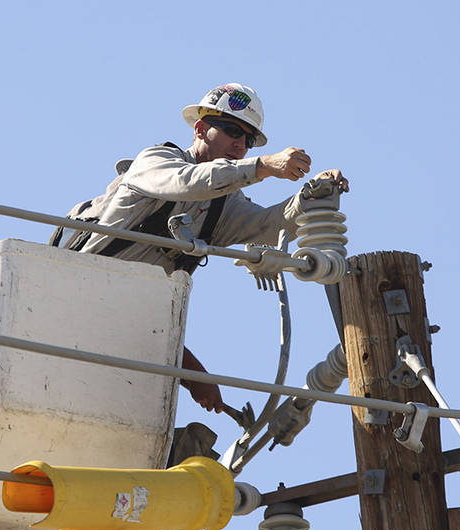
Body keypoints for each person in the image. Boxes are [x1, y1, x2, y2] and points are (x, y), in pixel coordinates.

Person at [53, 83, 349, 413]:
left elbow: (268, 226)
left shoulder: (222, 205)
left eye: (248, 139)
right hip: (73, 301)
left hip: (124, 321)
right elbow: (188, 182)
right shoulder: (156, 161)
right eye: (232, 130)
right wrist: (262, 165)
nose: (240, 144)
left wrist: (310, 198)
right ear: (200, 129)